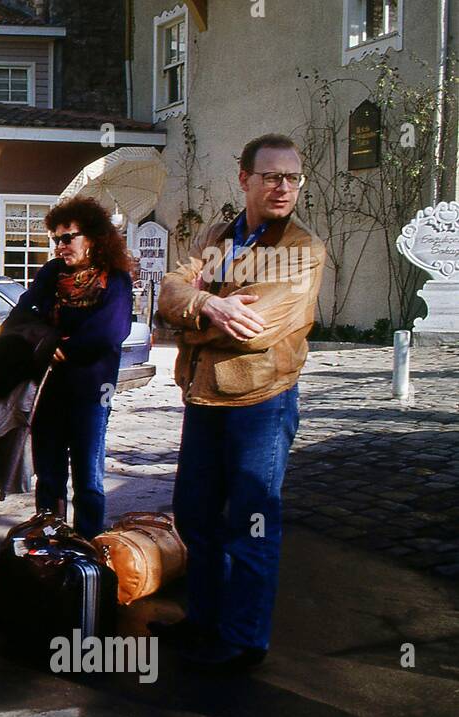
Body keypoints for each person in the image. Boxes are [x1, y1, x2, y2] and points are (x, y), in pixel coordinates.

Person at [154, 133, 327, 674]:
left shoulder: (301, 249)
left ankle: (244, 638)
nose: (284, 187)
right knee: (195, 514)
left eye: (293, 177)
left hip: (261, 400)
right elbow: (167, 292)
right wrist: (207, 302)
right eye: (272, 176)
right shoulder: (216, 235)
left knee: (252, 521)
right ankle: (205, 620)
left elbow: (257, 331)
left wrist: (191, 323)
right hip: (204, 396)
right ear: (244, 178)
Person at [1, 196, 134, 539]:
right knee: (49, 475)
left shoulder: (114, 279)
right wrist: (47, 343)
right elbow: (18, 318)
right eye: (55, 239)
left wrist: (64, 347)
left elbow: (111, 332)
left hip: (91, 391)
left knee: (89, 478)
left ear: (92, 237)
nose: (60, 246)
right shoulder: (50, 275)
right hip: (48, 389)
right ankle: (50, 542)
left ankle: (88, 547)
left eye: (67, 237)